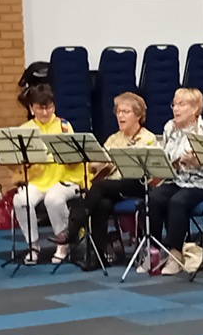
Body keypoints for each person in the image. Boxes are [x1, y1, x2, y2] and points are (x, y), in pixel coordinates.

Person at [51, 92, 155, 270]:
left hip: (136, 184)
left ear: (138, 116)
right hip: (112, 188)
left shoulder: (147, 138)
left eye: (126, 112)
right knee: (101, 203)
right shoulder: (114, 138)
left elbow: (149, 172)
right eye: (118, 112)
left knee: (99, 186)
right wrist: (98, 164)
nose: (120, 116)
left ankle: (73, 228)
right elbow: (95, 166)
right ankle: (98, 257)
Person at [150, 88, 203, 275]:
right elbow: (166, 155)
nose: (176, 109)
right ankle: (155, 251)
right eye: (174, 104)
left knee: (178, 201)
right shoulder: (169, 127)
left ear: (196, 108)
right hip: (176, 179)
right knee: (154, 197)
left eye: (182, 104)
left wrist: (198, 162)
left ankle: (175, 254)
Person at [13, 85, 85, 265]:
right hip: (38, 180)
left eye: (49, 107)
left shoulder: (64, 126)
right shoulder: (24, 129)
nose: (45, 112)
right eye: (40, 108)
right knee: (20, 201)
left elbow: (75, 158)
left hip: (65, 179)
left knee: (53, 199)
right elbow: (15, 164)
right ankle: (33, 245)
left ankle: (63, 245)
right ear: (31, 108)